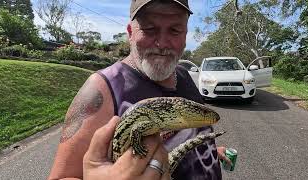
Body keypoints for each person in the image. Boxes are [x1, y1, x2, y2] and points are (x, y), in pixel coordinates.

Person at [48, 0, 230, 179]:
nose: (162, 43)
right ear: (130, 33)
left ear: (185, 35)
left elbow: (190, 129)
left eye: (175, 30)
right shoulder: (101, 87)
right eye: (149, 29)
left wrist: (211, 151)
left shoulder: (183, 74)